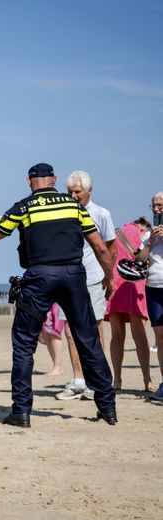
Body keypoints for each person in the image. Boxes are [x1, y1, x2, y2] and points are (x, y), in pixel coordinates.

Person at [0, 163, 116, 428]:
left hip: (39, 278)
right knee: (88, 340)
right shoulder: (75, 207)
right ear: (55, 180)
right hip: (73, 277)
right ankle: (108, 408)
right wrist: (109, 277)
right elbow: (100, 247)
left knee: (24, 344)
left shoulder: (24, 207)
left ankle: (22, 411)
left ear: (29, 182)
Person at [55, 170, 116, 400]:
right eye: (69, 191)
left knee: (94, 329)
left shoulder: (101, 214)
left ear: (89, 190)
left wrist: (108, 277)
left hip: (93, 278)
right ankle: (79, 380)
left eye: (77, 191)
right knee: (70, 331)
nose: (73, 195)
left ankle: (97, 381)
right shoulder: (63, 212)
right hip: (67, 278)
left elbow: (110, 248)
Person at [105, 217, 155, 392]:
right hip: (135, 284)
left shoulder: (116, 232)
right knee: (139, 335)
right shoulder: (145, 233)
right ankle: (147, 380)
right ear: (144, 226)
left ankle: (117, 380)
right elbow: (145, 258)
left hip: (114, 284)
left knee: (116, 335)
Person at [139, 193, 163, 400]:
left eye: (160, 206)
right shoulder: (149, 233)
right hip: (154, 287)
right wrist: (150, 242)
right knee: (160, 337)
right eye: (154, 205)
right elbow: (140, 259)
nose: (156, 209)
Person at [39, 303, 65, 376]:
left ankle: (57, 367)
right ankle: (56, 366)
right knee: (46, 333)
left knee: (54, 332)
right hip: (45, 301)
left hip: (56, 300)